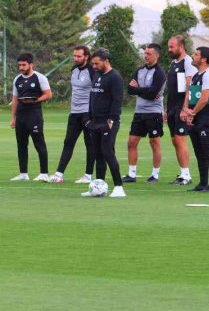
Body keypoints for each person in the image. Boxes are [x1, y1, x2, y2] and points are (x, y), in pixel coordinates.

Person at [49, 45, 95, 184]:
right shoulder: (74, 70)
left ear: (86, 56)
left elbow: (97, 92)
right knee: (68, 142)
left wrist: (94, 112)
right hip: (74, 113)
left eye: (79, 56)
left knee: (90, 144)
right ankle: (59, 174)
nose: (76, 58)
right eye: (74, 56)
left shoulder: (92, 71)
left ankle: (88, 175)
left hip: (88, 112)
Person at [83, 48, 126, 198]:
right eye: (92, 63)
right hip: (95, 122)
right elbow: (92, 97)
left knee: (108, 152)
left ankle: (119, 187)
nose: (94, 66)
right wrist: (89, 118)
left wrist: (112, 119)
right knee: (98, 154)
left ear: (106, 61)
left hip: (108, 122)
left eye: (96, 63)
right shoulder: (96, 75)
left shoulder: (115, 78)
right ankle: (98, 187)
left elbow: (117, 101)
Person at [124, 43, 166, 183]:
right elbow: (130, 89)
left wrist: (139, 90)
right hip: (139, 112)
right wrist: (145, 90)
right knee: (131, 142)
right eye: (145, 53)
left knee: (154, 142)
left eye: (149, 54)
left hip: (154, 112)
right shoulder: (139, 70)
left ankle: (155, 175)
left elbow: (153, 93)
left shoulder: (160, 73)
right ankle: (131, 174)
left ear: (156, 55)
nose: (146, 56)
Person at [10, 52, 52, 181]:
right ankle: (23, 174)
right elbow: (15, 99)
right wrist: (13, 118)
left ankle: (44, 173)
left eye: (24, 65)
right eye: (19, 65)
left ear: (31, 64)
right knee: (21, 145)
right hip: (21, 115)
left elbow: (48, 94)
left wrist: (36, 100)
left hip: (34, 114)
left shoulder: (39, 78)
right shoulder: (17, 79)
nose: (21, 67)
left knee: (39, 144)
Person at [165, 34, 197, 185]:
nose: (169, 49)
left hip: (181, 107)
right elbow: (171, 89)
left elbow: (189, 86)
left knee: (180, 139)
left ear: (181, 46)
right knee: (175, 141)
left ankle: (186, 176)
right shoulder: (173, 63)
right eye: (169, 47)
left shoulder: (188, 62)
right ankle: (183, 173)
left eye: (172, 47)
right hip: (172, 107)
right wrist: (166, 109)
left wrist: (185, 108)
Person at [184, 46, 209, 191]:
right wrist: (188, 112)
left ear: (204, 59)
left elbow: (205, 99)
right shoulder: (196, 75)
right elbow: (192, 97)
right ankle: (202, 183)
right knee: (199, 152)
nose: (192, 56)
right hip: (196, 116)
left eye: (196, 54)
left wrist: (192, 113)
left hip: (206, 117)